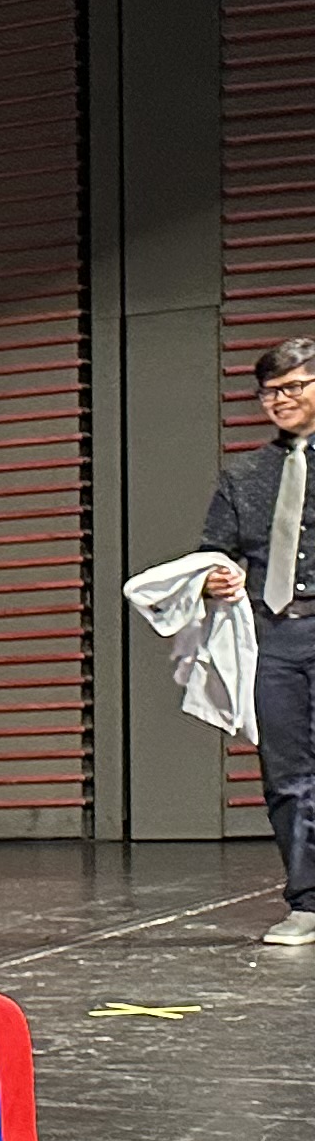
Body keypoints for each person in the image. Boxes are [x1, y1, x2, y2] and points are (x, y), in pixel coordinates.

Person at [199, 333, 315, 946]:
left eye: (294, 386)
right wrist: (216, 575)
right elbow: (214, 549)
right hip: (278, 634)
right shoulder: (245, 472)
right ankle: (307, 902)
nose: (279, 399)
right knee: (287, 773)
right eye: (270, 391)